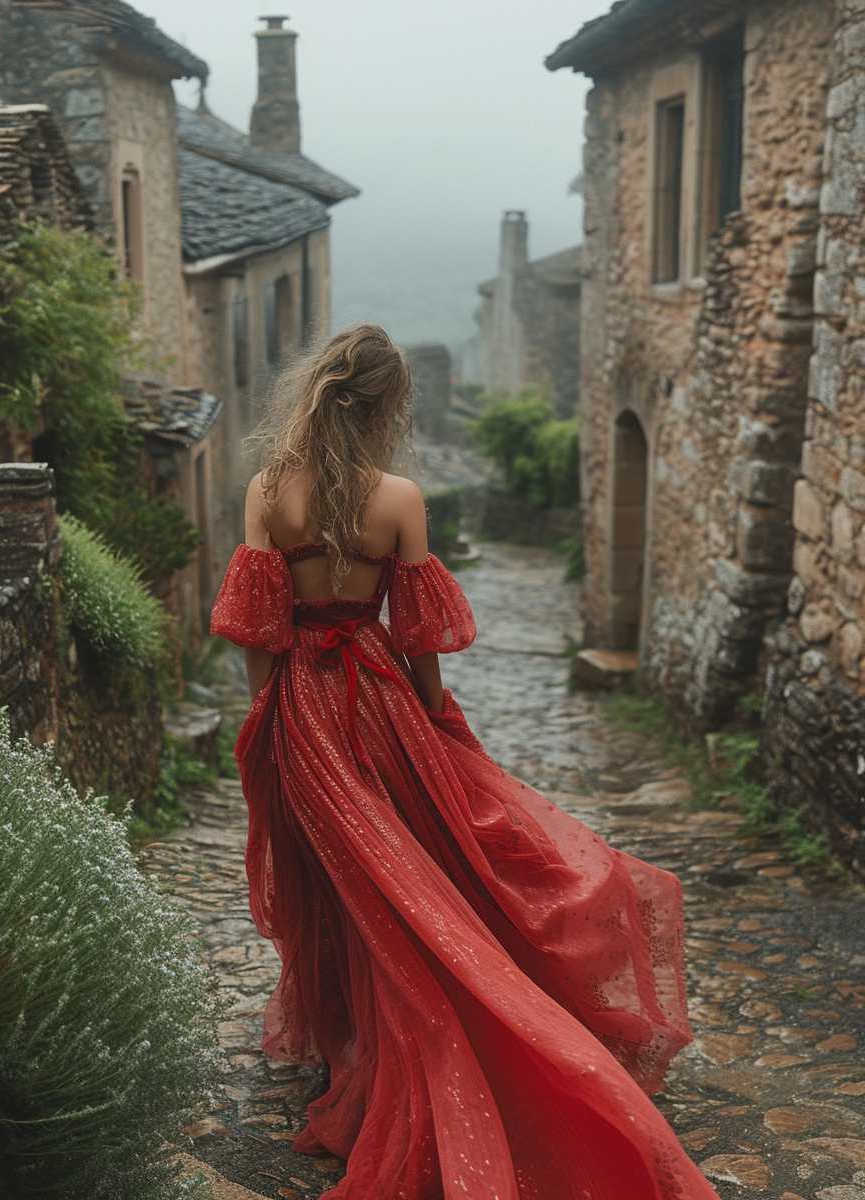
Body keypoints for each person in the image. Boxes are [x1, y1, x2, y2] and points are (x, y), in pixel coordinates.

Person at [210, 323, 719, 1200]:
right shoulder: (400, 497)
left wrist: (274, 717)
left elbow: (259, 634)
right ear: (387, 407)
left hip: (304, 710)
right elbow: (419, 641)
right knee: (412, 875)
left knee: (346, 883)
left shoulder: (267, 490)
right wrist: (435, 725)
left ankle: (358, 1042)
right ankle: (407, 1025)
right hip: (378, 701)